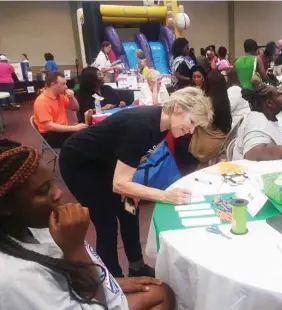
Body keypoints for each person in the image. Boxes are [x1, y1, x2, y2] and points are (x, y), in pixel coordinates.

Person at [0, 139, 175, 310]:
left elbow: (64, 280)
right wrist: (75, 249)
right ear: (5, 206)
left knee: (161, 291)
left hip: (90, 290)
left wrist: (110, 282)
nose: (58, 193)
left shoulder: (31, 225)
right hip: (95, 301)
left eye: (52, 183)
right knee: (161, 296)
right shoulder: (15, 279)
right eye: (43, 190)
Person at [59, 87, 212, 278]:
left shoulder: (162, 124)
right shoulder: (142, 126)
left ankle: (136, 266)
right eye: (191, 122)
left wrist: (133, 189)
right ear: (178, 108)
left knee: (129, 209)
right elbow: (119, 184)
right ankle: (113, 279)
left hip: (106, 161)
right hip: (80, 164)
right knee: (106, 223)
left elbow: (131, 159)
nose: (190, 130)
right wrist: (164, 195)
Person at [233, 89, 282, 161]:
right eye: (278, 95)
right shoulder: (256, 121)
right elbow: (255, 153)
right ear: (269, 103)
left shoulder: (271, 117)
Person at [33, 72, 87, 148]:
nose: (66, 87)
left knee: (88, 134)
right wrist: (74, 128)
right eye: (63, 84)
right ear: (52, 84)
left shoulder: (60, 96)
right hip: (52, 135)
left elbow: (75, 108)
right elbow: (49, 126)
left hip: (62, 131)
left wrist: (71, 98)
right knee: (85, 140)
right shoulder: (42, 101)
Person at [189, 71, 232, 163]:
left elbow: (192, 121)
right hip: (221, 142)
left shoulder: (205, 102)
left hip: (207, 148)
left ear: (207, 84)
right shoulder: (225, 100)